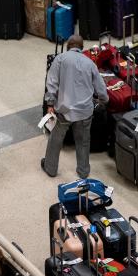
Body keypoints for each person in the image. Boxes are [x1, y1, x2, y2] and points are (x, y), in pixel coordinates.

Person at [41, 34, 108, 180]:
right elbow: (101, 88)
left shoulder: (60, 59)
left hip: (64, 111)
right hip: (85, 111)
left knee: (55, 140)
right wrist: (103, 100)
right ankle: (83, 171)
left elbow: (51, 83)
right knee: (83, 141)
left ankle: (50, 168)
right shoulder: (90, 63)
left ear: (68, 46)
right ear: (82, 48)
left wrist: (50, 103)